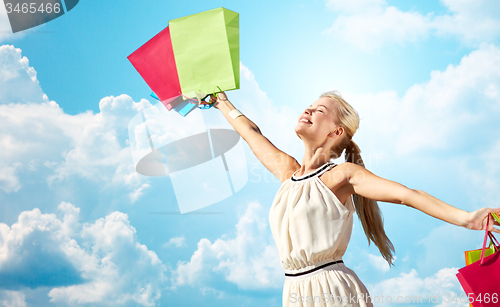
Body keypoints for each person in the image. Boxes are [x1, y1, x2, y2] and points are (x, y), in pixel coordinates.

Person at [209, 90, 500, 307]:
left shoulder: (341, 175)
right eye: (308, 106)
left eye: (319, 110)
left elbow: (406, 195)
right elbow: (250, 132)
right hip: (294, 291)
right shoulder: (288, 173)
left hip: (331, 289)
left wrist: (466, 219)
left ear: (336, 132)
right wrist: (219, 99)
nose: (307, 111)